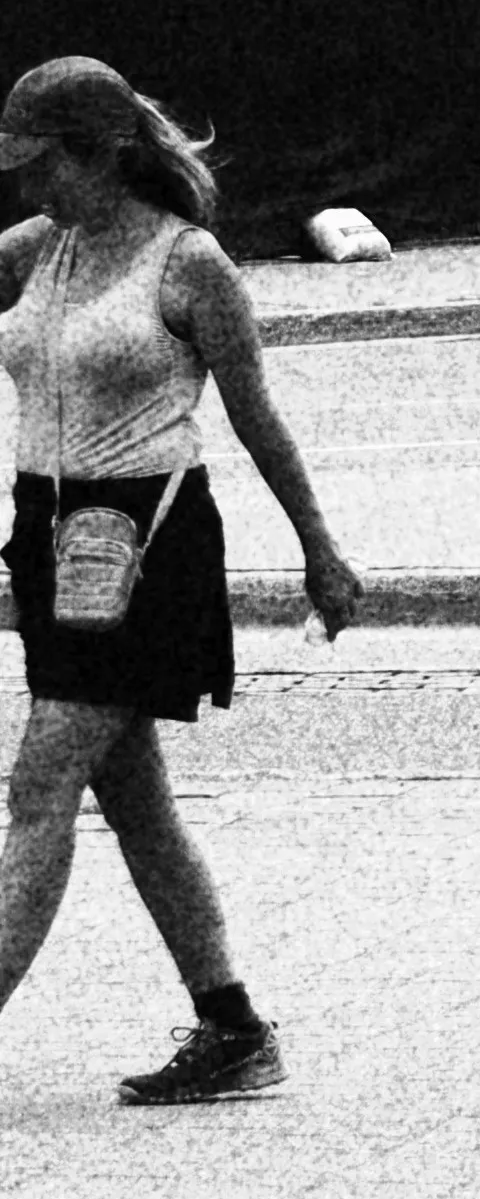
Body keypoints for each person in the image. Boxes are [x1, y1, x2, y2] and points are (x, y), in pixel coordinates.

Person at [0, 58, 356, 1104]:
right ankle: (233, 1028)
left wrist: (319, 549)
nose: (25, 186)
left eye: (41, 164)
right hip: (51, 538)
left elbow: (255, 416)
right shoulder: (36, 251)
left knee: (38, 784)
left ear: (103, 152)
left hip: (148, 546)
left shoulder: (187, 263)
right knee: (136, 799)